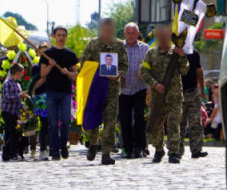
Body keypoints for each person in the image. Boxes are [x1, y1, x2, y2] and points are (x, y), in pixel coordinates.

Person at [81, 18, 129, 165]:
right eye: (105, 28)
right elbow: (84, 63)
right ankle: (94, 143)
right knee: (93, 119)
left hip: (113, 90)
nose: (108, 31)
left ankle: (106, 153)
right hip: (95, 89)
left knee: (110, 122)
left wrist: (118, 73)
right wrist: (96, 70)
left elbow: (124, 65)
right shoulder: (93, 44)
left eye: (110, 28)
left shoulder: (119, 45)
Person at [140, 25, 189, 164]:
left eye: (165, 36)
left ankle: (173, 152)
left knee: (174, 123)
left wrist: (182, 56)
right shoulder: (151, 53)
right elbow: (144, 72)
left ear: (169, 37)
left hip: (174, 95)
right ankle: (158, 149)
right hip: (157, 95)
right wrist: (155, 84)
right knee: (156, 123)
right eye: (159, 36)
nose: (162, 38)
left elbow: (184, 71)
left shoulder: (177, 52)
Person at [40, 26, 78, 161]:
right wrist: (50, 65)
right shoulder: (47, 54)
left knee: (66, 121)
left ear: (66, 37)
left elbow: (77, 75)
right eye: (59, 35)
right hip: (51, 92)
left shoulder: (71, 54)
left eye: (63, 35)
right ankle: (54, 150)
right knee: (53, 123)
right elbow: (42, 74)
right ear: (54, 37)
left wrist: (68, 73)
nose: (61, 37)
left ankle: (63, 146)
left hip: (66, 92)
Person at [119, 22, 149, 159]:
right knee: (124, 120)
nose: (131, 36)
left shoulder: (145, 48)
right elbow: (109, 65)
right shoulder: (118, 48)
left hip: (139, 87)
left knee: (139, 119)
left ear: (138, 34)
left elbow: (150, 67)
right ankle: (128, 147)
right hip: (123, 89)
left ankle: (140, 147)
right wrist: (118, 75)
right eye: (128, 33)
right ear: (124, 34)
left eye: (133, 33)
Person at [179, 50, 208, 159]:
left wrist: (202, 90)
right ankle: (177, 151)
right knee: (179, 124)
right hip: (178, 93)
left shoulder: (194, 54)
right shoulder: (173, 54)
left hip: (193, 93)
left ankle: (196, 150)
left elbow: (199, 71)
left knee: (196, 122)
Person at [1, 63, 28, 162]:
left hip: (15, 112)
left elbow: (18, 100)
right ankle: (11, 153)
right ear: (17, 73)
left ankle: (7, 155)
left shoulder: (18, 84)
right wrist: (20, 95)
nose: (22, 75)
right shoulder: (7, 83)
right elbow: (7, 98)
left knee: (10, 133)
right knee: (14, 132)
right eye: (22, 73)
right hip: (8, 112)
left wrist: (24, 107)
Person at [30, 42, 50, 161]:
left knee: (53, 124)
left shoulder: (54, 65)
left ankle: (53, 148)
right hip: (41, 98)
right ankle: (43, 148)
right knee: (43, 124)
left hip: (52, 96)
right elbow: (35, 85)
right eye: (41, 51)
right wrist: (44, 77)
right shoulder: (36, 67)